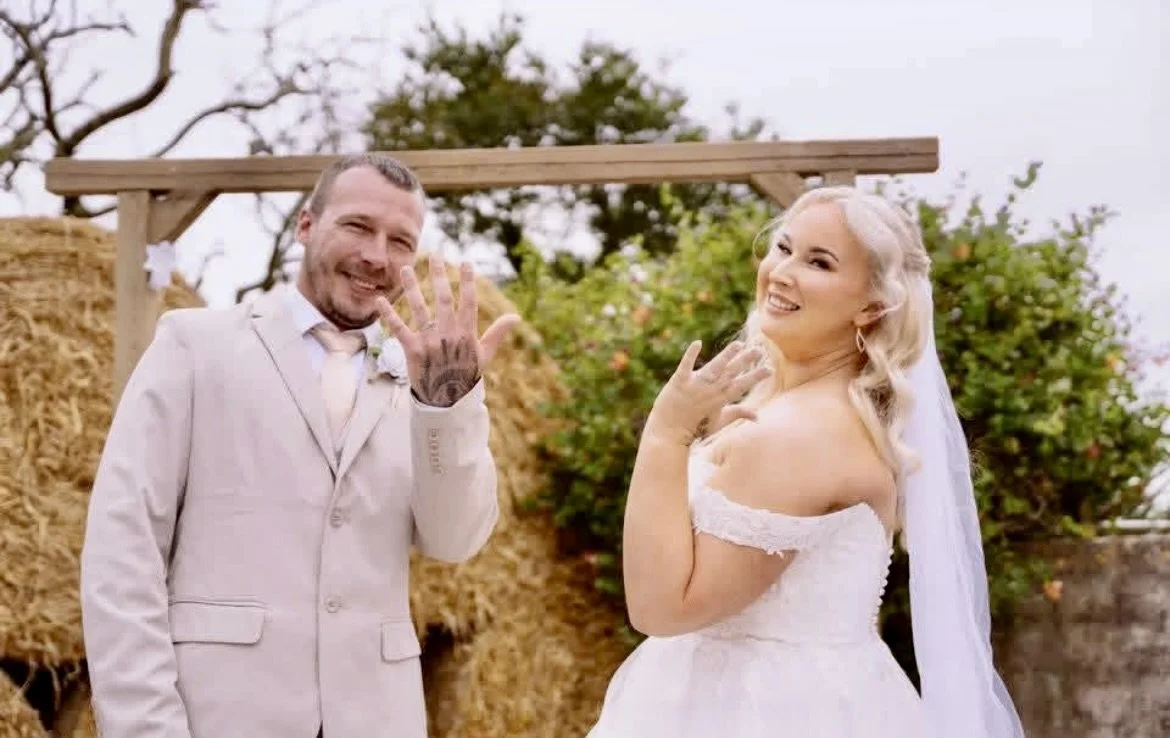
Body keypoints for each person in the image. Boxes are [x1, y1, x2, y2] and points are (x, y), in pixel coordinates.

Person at [79, 152, 519, 737]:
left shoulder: (423, 382)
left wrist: (446, 408)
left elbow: (455, 540)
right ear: (307, 226)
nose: (375, 256)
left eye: (400, 241)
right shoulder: (194, 346)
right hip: (219, 719)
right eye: (358, 226)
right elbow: (123, 552)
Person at [586, 186, 1026, 737]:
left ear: (872, 305)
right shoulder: (787, 407)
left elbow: (661, 610)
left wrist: (665, 434)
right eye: (784, 248)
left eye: (819, 262)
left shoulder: (801, 435)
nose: (781, 272)